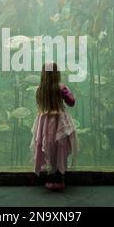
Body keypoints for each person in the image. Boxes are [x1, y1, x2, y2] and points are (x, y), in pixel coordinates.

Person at [31, 62, 78, 191]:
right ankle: (60, 178)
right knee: (61, 148)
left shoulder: (40, 89)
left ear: (43, 73)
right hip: (59, 121)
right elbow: (71, 102)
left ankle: (50, 177)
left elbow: (39, 104)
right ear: (57, 73)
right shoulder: (61, 87)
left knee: (48, 147)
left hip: (44, 121)